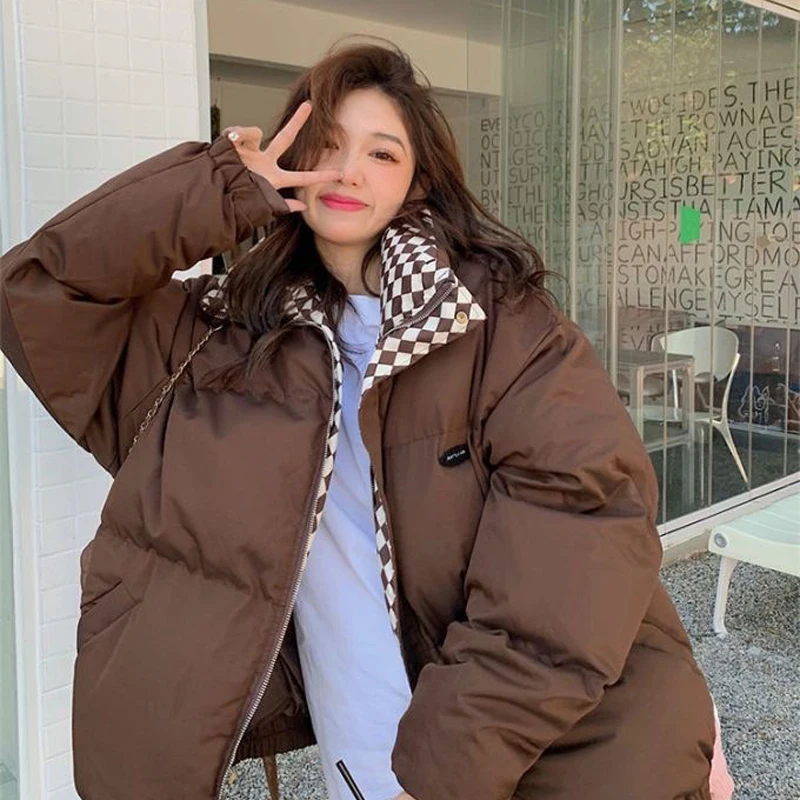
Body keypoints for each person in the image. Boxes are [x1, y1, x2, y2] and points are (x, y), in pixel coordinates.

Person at [1, 41, 725, 800]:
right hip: (363, 754)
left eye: (382, 152)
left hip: (554, 757)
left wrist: (443, 774)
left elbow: (579, 544)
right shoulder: (215, 345)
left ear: (418, 181)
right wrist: (217, 189)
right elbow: (35, 295)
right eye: (326, 145)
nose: (348, 171)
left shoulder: (499, 325)